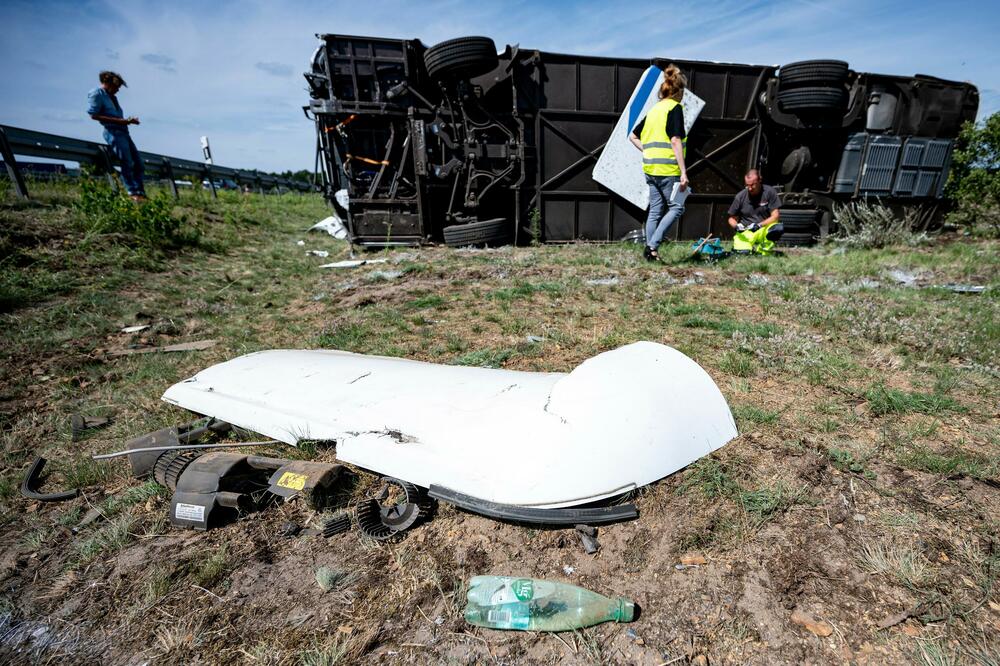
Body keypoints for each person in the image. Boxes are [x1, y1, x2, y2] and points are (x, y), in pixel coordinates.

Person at [630, 64, 689, 262]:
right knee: (676, 208)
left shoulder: (654, 110)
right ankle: (652, 246)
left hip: (650, 168)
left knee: (655, 210)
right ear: (679, 91)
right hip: (667, 168)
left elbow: (633, 136)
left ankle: (651, 252)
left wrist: (649, 151)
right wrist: (683, 172)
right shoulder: (675, 108)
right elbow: (675, 140)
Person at [87, 71, 146, 200]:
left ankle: (140, 193)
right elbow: (93, 115)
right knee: (127, 162)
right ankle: (132, 192)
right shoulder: (97, 93)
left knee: (139, 164)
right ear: (107, 83)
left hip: (123, 131)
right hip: (113, 132)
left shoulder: (113, 97)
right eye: (116, 87)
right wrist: (122, 121)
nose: (118, 90)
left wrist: (127, 121)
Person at [727, 169, 783, 254]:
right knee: (743, 253)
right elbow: (731, 218)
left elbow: (775, 216)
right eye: (747, 185)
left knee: (777, 228)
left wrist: (759, 225)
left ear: (760, 180)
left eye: (752, 185)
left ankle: (763, 251)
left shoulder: (770, 192)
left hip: (763, 228)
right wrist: (736, 226)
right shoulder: (740, 196)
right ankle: (744, 248)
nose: (749, 188)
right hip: (746, 232)